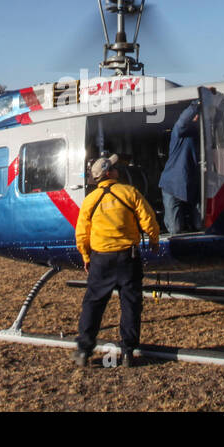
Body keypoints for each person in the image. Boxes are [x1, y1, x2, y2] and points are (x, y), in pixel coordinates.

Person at [72, 154, 160, 368]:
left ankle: (83, 350)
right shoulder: (129, 192)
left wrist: (86, 257)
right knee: (130, 304)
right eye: (113, 167)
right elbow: (148, 219)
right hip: (127, 258)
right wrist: (154, 239)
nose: (117, 169)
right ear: (109, 173)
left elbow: (81, 233)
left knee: (93, 304)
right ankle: (128, 352)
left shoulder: (90, 200)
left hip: (100, 259)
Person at [158, 101, 201, 234]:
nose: (197, 118)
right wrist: (196, 104)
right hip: (172, 185)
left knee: (200, 224)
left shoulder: (198, 136)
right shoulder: (180, 131)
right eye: (195, 116)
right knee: (175, 228)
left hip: (190, 184)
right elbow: (183, 121)